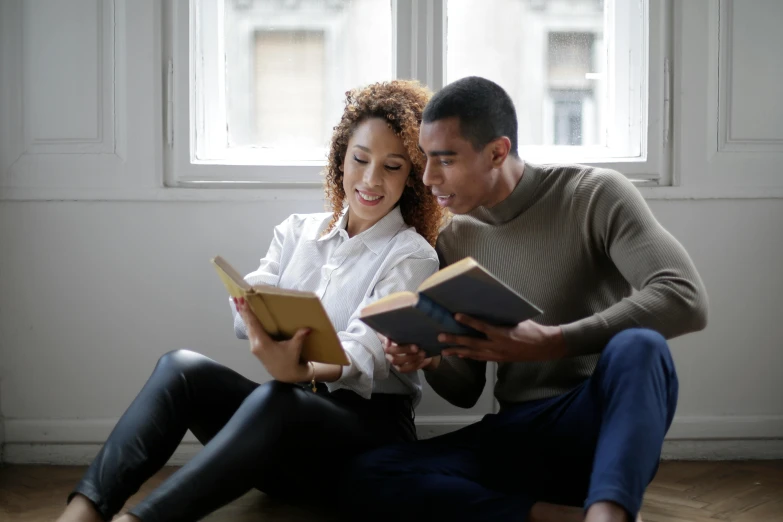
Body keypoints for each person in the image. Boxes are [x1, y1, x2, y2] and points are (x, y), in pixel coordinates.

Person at [56, 80, 444, 522]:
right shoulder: (297, 231)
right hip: (282, 432)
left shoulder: (412, 254)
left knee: (280, 396)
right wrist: (255, 314)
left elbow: (366, 349)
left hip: (365, 437)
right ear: (341, 160)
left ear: (412, 177)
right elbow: (248, 307)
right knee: (181, 368)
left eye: (393, 167)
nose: (372, 179)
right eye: (360, 159)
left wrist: (303, 369)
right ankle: (82, 512)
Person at [350, 76, 709, 522]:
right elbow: (466, 391)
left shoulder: (594, 195)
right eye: (425, 160)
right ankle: (561, 517)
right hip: (517, 432)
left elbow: (685, 297)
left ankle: (609, 511)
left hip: (595, 423)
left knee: (641, 347)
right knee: (371, 473)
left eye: (444, 160)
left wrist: (554, 341)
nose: (428, 178)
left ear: (498, 152)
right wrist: (432, 357)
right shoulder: (455, 239)